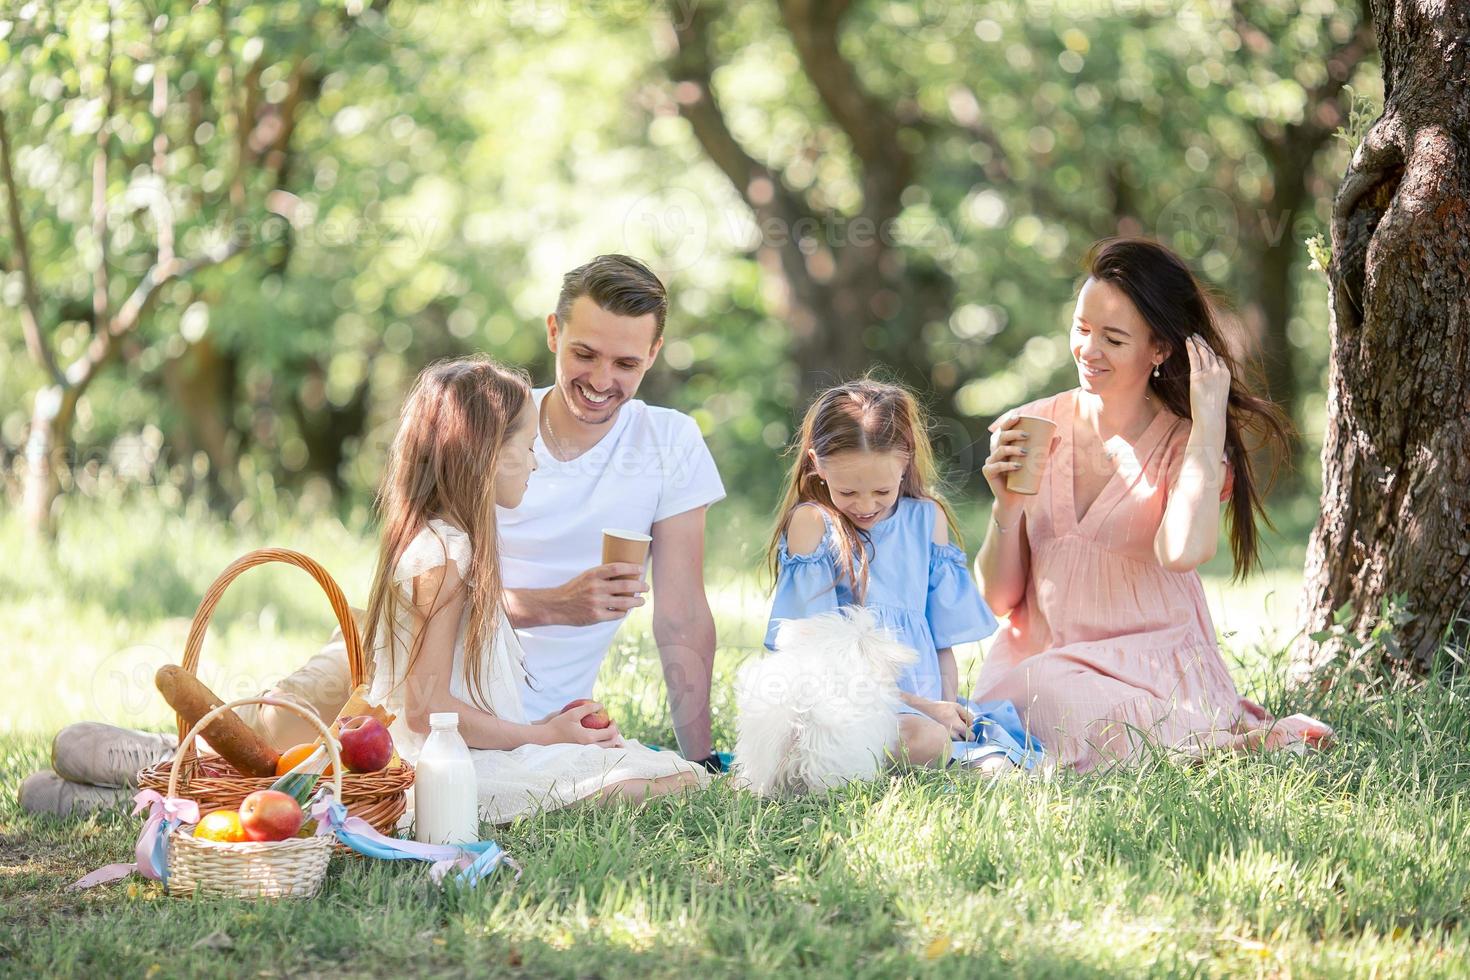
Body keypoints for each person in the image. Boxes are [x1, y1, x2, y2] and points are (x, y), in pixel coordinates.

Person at [971, 237, 1333, 770]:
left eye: (1113, 339)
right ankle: (1217, 748)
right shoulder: (1033, 426)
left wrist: (1208, 423)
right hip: (1047, 667)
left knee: (1076, 704)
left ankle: (1199, 742)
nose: (1088, 351)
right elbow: (1000, 600)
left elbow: (1184, 550)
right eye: (1082, 328)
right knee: (1046, 687)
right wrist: (1005, 509)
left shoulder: (1186, 443)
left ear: (1159, 349)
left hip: (1156, 668)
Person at [363, 355, 705, 822]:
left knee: (661, 768)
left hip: (466, 750)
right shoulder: (443, 556)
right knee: (672, 779)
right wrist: (542, 738)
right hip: (444, 768)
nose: (535, 463)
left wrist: (544, 728)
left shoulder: (451, 543)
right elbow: (426, 710)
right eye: (526, 448)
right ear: (485, 454)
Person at [495, 255, 726, 770]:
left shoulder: (669, 441)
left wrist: (703, 757)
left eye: (626, 364)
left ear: (654, 354)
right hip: (441, 698)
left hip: (550, 723)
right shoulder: (493, 426)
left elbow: (682, 613)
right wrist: (556, 604)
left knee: (670, 782)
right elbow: (425, 601)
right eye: (585, 354)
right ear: (554, 332)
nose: (601, 381)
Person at [763, 378, 1030, 771]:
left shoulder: (927, 520)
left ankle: (936, 754)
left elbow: (942, 645)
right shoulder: (813, 524)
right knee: (922, 739)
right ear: (817, 464)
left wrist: (947, 708)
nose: (866, 506)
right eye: (848, 492)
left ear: (906, 460)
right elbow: (819, 658)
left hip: (923, 711)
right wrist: (926, 711)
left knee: (983, 759)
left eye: (882, 491)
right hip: (841, 707)